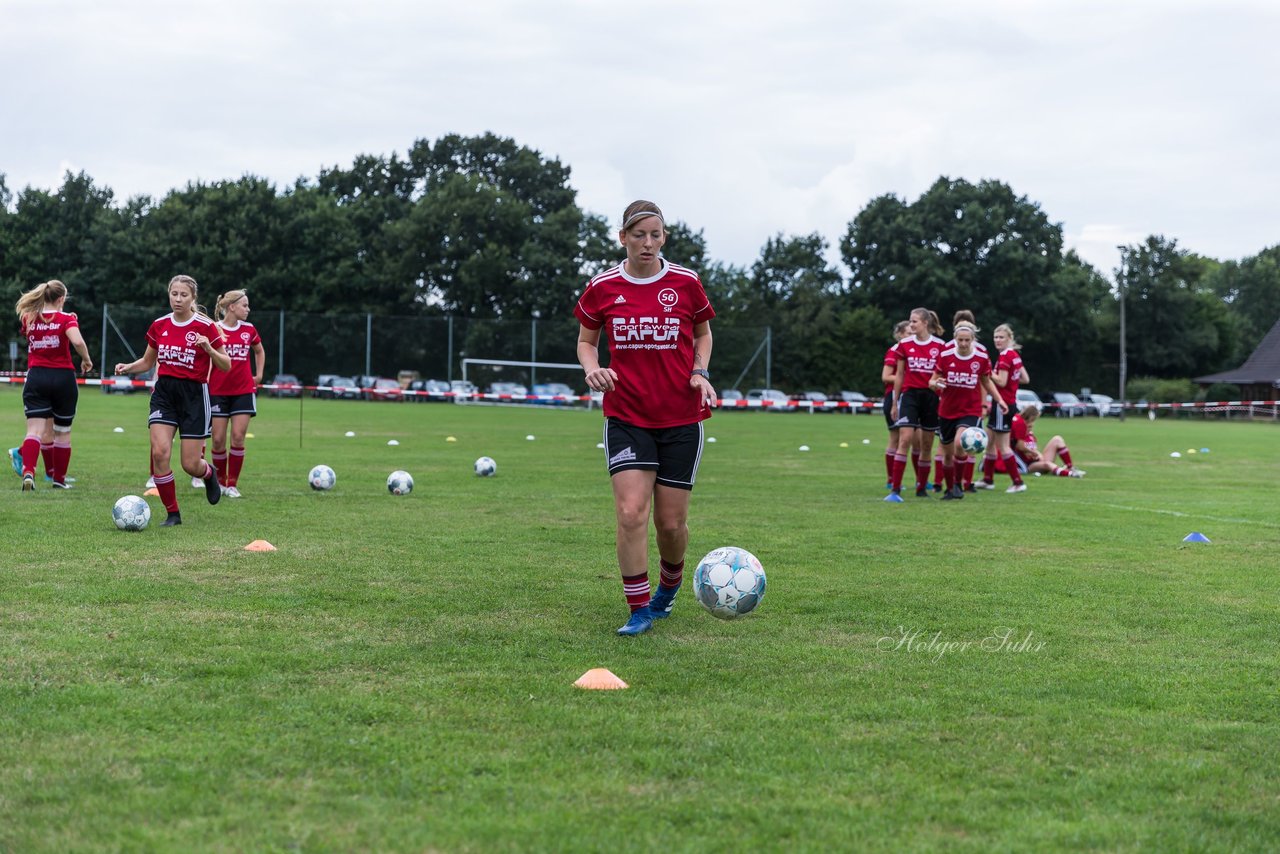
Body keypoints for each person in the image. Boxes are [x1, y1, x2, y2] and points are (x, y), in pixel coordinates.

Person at [575, 200, 717, 636]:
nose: (648, 243)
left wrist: (699, 372)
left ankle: (668, 589)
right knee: (631, 511)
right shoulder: (602, 287)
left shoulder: (686, 283)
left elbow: (703, 334)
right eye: (639, 235)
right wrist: (591, 368)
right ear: (623, 238)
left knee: (670, 524)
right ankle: (638, 609)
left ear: (664, 238)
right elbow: (586, 341)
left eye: (656, 235)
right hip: (627, 416)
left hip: (680, 418)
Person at [114, 275, 230, 525]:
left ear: (193, 298)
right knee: (159, 453)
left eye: (183, 295)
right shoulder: (159, 325)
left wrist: (209, 349)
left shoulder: (205, 327)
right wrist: (127, 366)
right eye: (174, 294)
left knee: (190, 464)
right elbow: (147, 361)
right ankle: (173, 514)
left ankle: (209, 473)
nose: (178, 299)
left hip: (194, 396)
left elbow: (226, 364)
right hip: (164, 394)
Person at [11, 280, 93, 491]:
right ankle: (59, 480)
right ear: (61, 299)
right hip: (63, 378)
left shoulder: (29, 318)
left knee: (34, 431)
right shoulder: (66, 319)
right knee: (62, 431)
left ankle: (29, 471)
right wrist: (86, 359)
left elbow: (31, 330)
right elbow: (77, 341)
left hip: (37, 377)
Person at [928, 322, 1006, 499]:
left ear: (972, 340)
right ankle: (950, 489)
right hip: (947, 410)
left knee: (960, 443)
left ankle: (958, 484)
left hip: (970, 410)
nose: (963, 344)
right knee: (947, 455)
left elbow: (986, 381)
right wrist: (935, 384)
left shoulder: (980, 358)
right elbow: (931, 381)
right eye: (960, 340)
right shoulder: (946, 355)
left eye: (967, 340)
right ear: (955, 339)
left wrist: (999, 400)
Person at [208, 290, 265, 498]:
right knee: (217, 440)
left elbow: (259, 350)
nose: (248, 309)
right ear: (231, 307)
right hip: (217, 391)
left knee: (238, 438)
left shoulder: (249, 330)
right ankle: (220, 482)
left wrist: (258, 375)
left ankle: (232, 484)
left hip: (243, 391)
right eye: (244, 305)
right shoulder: (214, 329)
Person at [887, 307, 945, 501]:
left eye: (914, 321)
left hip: (930, 397)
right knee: (905, 440)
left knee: (927, 444)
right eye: (910, 321)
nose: (911, 325)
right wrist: (895, 402)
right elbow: (900, 374)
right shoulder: (904, 344)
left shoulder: (940, 346)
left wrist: (939, 388)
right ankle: (895, 489)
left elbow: (943, 375)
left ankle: (921, 488)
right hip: (910, 396)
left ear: (925, 323)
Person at [977, 323, 1030, 493]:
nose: (998, 340)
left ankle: (1018, 482)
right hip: (1004, 403)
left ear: (1009, 339)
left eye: (1001, 337)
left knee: (1003, 446)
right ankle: (988, 479)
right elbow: (1025, 378)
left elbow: (1001, 381)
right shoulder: (1014, 355)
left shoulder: (1006, 356)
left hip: (1003, 405)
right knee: (990, 443)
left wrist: (986, 371)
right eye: (995, 337)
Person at [1012, 406, 1086, 477]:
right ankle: (1070, 474)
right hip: (1029, 465)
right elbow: (1020, 448)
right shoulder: (1019, 433)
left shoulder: (1030, 435)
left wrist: (1038, 454)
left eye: (1031, 426)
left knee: (1057, 439)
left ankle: (1070, 467)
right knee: (1047, 464)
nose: (1030, 427)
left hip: (1037, 461)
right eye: (1029, 426)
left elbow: (1034, 449)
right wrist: (1031, 453)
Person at [881, 320, 910, 489]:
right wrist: (908, 378)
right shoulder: (894, 351)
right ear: (899, 334)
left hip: (906, 398)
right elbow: (886, 376)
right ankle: (891, 479)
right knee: (895, 438)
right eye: (908, 333)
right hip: (894, 398)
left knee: (906, 439)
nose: (911, 336)